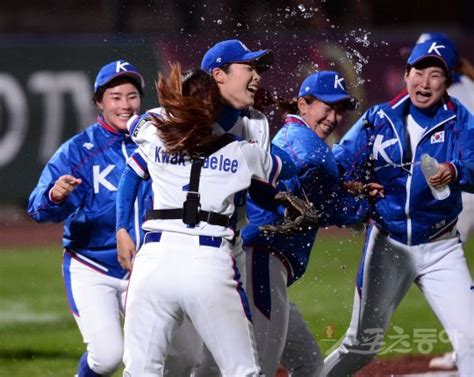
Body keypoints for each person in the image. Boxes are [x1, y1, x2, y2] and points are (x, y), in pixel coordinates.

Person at [116, 63, 291, 376]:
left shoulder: (154, 133)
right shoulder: (243, 151)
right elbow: (279, 178)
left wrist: (121, 229)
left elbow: (133, 129)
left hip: (154, 261)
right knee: (242, 371)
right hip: (209, 261)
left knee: (141, 371)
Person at [323, 40, 474, 377]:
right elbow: (339, 165)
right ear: (406, 75)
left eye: (435, 75)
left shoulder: (460, 120)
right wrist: (354, 189)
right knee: (362, 345)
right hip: (388, 244)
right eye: (418, 72)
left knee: (472, 342)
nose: (425, 82)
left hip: (441, 246)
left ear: (446, 81)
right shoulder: (379, 118)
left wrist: (456, 171)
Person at [242, 70, 369, 377]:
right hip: (262, 263)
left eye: (340, 110)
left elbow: (316, 200)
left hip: (261, 265)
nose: (334, 117)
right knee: (260, 368)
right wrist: (368, 198)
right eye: (327, 107)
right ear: (303, 105)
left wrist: (346, 187)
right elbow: (343, 213)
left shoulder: (290, 136)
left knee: (309, 364)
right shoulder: (314, 152)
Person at [27, 60, 151, 376]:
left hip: (148, 268)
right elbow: (37, 209)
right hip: (92, 266)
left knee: (167, 354)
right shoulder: (79, 151)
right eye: (116, 97)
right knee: (108, 357)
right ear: (99, 102)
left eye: (132, 95)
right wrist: (55, 195)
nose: (126, 104)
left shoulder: (156, 142)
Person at [409, 32, 474, 372]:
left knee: (442, 262)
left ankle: (466, 347)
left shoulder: (453, 100)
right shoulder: (468, 87)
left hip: (461, 187)